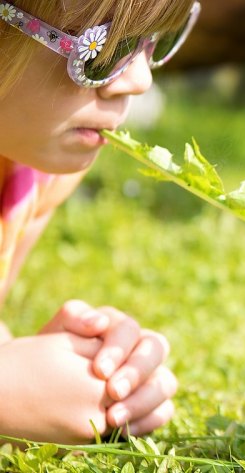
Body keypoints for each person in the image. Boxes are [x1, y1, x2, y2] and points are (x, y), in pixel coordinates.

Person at [0, 0, 200, 444]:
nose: (140, 81)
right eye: (101, 50)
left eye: (158, 41)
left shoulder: (36, 177)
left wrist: (72, 369)